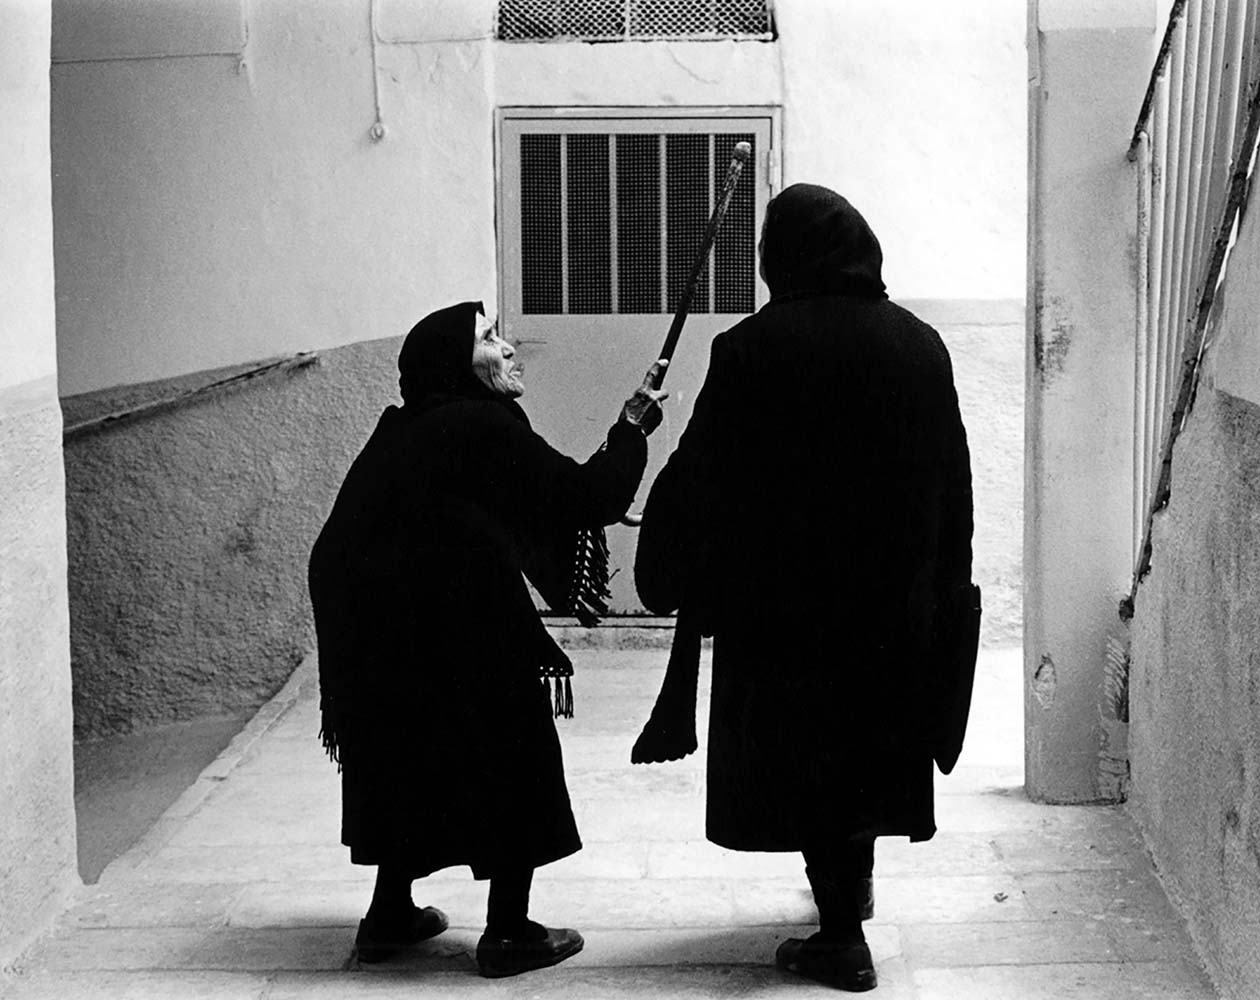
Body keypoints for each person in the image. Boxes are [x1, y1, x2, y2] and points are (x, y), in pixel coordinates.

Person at [633, 184, 974, 993]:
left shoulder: (751, 347)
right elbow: (952, 485)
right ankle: (844, 905)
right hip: (891, 609)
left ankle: (840, 938)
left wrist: (672, 553)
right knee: (864, 756)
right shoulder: (920, 345)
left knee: (811, 759)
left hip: (785, 609)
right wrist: (946, 588)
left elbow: (704, 472)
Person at [308, 301, 666, 978]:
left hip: (375, 626)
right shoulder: (477, 424)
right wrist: (630, 430)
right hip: (439, 619)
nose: (507, 347)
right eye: (488, 337)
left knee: (405, 757)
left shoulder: (409, 425)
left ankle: (389, 915)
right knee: (513, 752)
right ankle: (509, 933)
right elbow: (582, 497)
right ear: (453, 363)